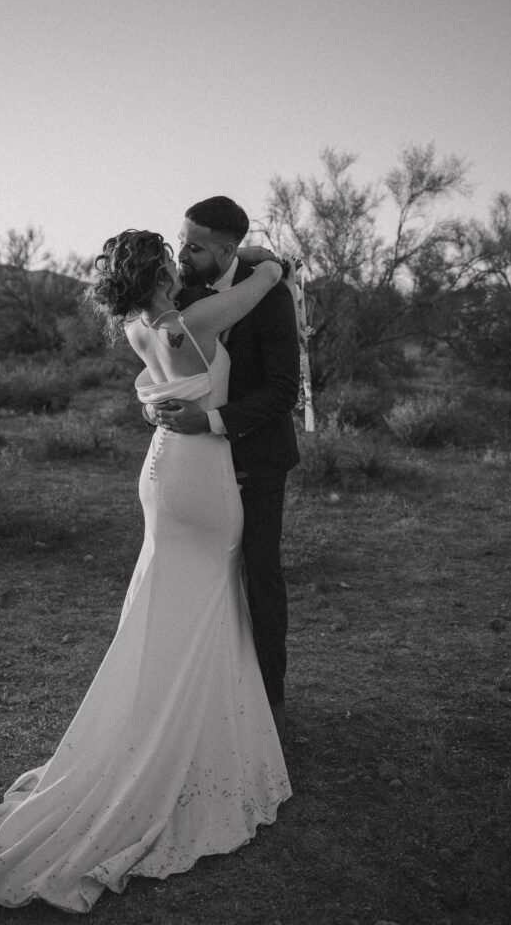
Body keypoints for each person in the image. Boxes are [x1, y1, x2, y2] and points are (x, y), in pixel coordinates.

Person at [0, 229, 291, 913]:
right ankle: (187, 737)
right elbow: (261, 284)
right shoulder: (188, 322)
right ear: (162, 268)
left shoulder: (139, 329)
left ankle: (178, 716)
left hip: (160, 467)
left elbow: (179, 365)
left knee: (175, 600)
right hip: (199, 475)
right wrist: (267, 262)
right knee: (205, 597)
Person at [146, 197, 300, 739]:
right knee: (200, 575)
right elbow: (163, 361)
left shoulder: (272, 297)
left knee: (260, 575)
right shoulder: (181, 291)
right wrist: (154, 402)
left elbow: (284, 391)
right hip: (194, 466)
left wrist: (209, 421)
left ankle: (271, 706)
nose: (182, 253)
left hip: (255, 458)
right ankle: (202, 695)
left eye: (194, 245)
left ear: (228, 249)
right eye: (181, 239)